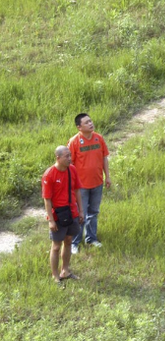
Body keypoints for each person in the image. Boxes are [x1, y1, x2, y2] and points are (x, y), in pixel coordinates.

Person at [68, 113, 110, 254]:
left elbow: (104, 158)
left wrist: (107, 177)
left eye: (90, 121)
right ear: (79, 127)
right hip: (81, 187)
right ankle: (75, 242)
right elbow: (69, 164)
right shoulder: (74, 142)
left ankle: (91, 238)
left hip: (97, 182)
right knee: (80, 214)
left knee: (93, 212)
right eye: (86, 122)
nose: (90, 124)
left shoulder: (99, 138)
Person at [42, 146, 84, 284]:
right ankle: (55, 276)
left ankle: (65, 270)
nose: (69, 158)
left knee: (68, 241)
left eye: (70, 155)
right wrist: (51, 220)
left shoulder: (72, 169)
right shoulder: (49, 174)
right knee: (55, 246)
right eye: (66, 156)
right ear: (58, 158)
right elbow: (47, 199)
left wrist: (81, 211)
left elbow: (77, 191)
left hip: (72, 213)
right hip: (58, 215)